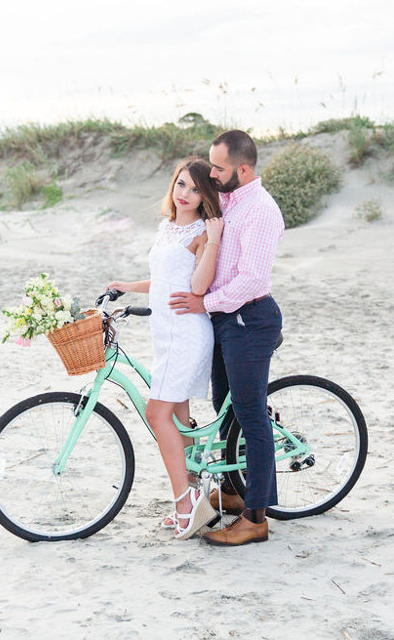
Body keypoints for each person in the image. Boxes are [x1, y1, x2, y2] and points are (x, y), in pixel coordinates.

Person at [169, 130, 284, 546]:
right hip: (223, 318)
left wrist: (205, 303)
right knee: (225, 408)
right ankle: (235, 493)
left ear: (243, 168)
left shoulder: (262, 211)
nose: (211, 174)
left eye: (218, 168)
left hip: (249, 320)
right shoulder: (229, 200)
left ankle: (256, 519)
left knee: (252, 417)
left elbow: (252, 279)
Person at [107, 157, 224, 539]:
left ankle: (185, 506)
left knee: (158, 415)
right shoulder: (168, 227)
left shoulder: (201, 232)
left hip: (186, 333)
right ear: (173, 185)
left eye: (195, 188)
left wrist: (214, 240)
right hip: (165, 332)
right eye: (181, 184)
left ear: (205, 194)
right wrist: (126, 286)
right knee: (177, 418)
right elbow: (162, 280)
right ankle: (195, 497)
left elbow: (200, 285)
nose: (186, 194)